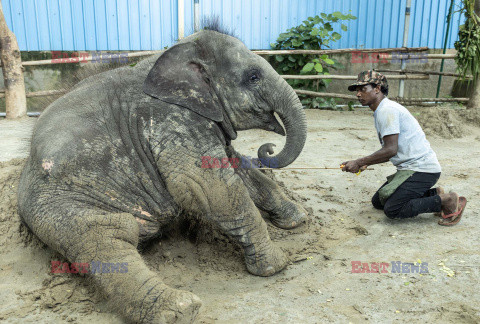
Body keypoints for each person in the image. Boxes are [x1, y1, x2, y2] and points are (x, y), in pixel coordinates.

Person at [341, 70, 466, 226]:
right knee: (378, 201)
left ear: (377, 89)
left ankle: (447, 200)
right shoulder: (382, 109)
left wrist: (359, 162)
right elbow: (391, 150)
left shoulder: (387, 110)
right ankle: (434, 194)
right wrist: (366, 162)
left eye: (362, 89)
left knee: (393, 209)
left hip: (422, 170)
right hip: (411, 169)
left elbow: (390, 150)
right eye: (357, 90)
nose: (358, 94)